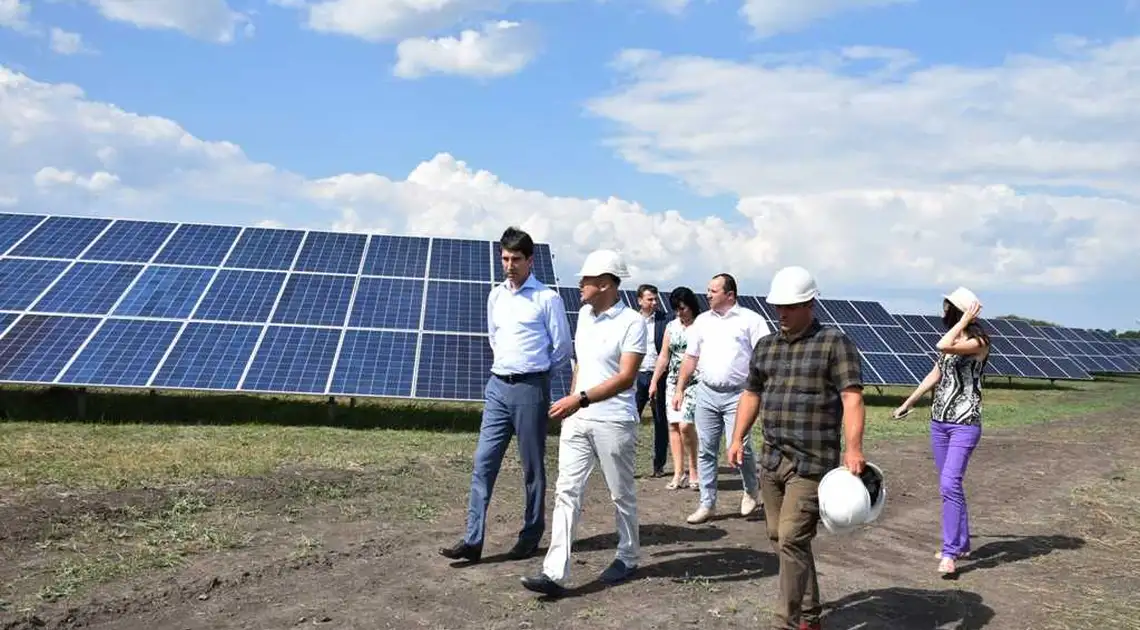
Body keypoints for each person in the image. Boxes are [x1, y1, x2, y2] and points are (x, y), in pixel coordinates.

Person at [727, 265, 867, 630]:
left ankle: (785, 622)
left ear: (809, 303)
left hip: (811, 463)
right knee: (781, 538)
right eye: (778, 307)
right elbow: (751, 393)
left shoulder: (834, 344)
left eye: (790, 306)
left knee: (791, 538)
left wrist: (853, 448)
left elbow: (852, 398)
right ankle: (809, 616)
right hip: (772, 459)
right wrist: (737, 435)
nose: (782, 313)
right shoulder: (767, 347)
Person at [439, 227, 573, 564]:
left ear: (530, 260)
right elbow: (494, 337)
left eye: (515, 259)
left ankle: (530, 535)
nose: (509, 265)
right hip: (497, 387)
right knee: (483, 463)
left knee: (531, 467)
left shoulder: (547, 299)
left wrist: (536, 376)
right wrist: (507, 368)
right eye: (504, 258)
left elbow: (562, 349)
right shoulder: (495, 296)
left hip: (531, 387)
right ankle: (472, 540)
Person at [520, 249, 646, 597]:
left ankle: (628, 554)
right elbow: (580, 366)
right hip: (580, 420)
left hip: (614, 422)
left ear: (605, 283)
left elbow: (626, 377)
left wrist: (581, 398)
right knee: (566, 492)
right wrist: (574, 403)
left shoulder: (632, 323)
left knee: (620, 493)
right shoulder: (585, 316)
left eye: (586, 280)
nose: (579, 285)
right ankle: (554, 572)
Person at [893, 286, 990, 576]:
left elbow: (942, 347)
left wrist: (963, 324)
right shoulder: (955, 337)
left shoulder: (979, 341)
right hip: (939, 422)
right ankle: (961, 543)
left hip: (965, 423)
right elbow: (937, 372)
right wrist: (908, 402)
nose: (942, 312)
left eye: (947, 307)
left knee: (949, 485)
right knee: (951, 486)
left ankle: (949, 553)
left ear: (958, 311)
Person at [672, 273, 768, 524]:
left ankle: (750, 489)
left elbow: (765, 357)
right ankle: (707, 503)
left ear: (730, 295)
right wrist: (680, 388)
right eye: (708, 290)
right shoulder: (702, 322)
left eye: (713, 291)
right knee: (706, 449)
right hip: (706, 393)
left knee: (740, 447)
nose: (708, 294)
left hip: (739, 394)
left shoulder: (751, 321)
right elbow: (691, 357)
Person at [648, 287, 702, 490]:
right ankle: (679, 473)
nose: (680, 313)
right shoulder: (671, 327)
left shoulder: (701, 325)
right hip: (672, 380)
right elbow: (664, 356)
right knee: (673, 425)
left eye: (683, 308)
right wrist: (654, 381)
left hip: (696, 380)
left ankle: (694, 469)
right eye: (676, 309)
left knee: (686, 424)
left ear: (691, 305)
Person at [633, 284, 671, 478]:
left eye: (655, 299)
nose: (654, 302)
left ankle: (659, 465)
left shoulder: (666, 320)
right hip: (637, 376)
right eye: (650, 299)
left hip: (659, 375)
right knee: (631, 419)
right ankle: (627, 463)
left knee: (660, 421)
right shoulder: (631, 321)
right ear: (640, 300)